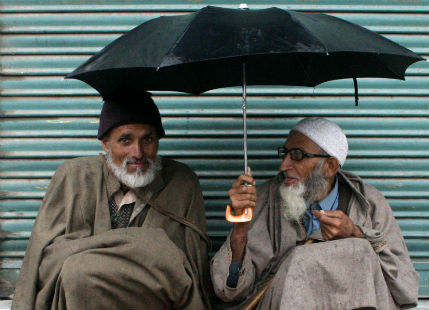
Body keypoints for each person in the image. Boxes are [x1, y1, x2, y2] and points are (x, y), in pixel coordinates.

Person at [12, 92, 212, 310]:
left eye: (148, 139)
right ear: (106, 144)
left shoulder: (182, 182)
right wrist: (144, 245)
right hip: (83, 301)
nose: (138, 152)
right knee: (77, 273)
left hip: (153, 302)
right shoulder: (74, 177)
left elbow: (187, 270)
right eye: (125, 140)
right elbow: (45, 259)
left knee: (80, 269)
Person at [211, 117, 419, 310]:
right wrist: (240, 228)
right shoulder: (263, 199)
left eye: (297, 155)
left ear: (329, 166)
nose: (283, 165)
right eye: (285, 153)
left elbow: (406, 289)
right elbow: (230, 292)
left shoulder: (369, 204)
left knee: (358, 248)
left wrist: (356, 233)